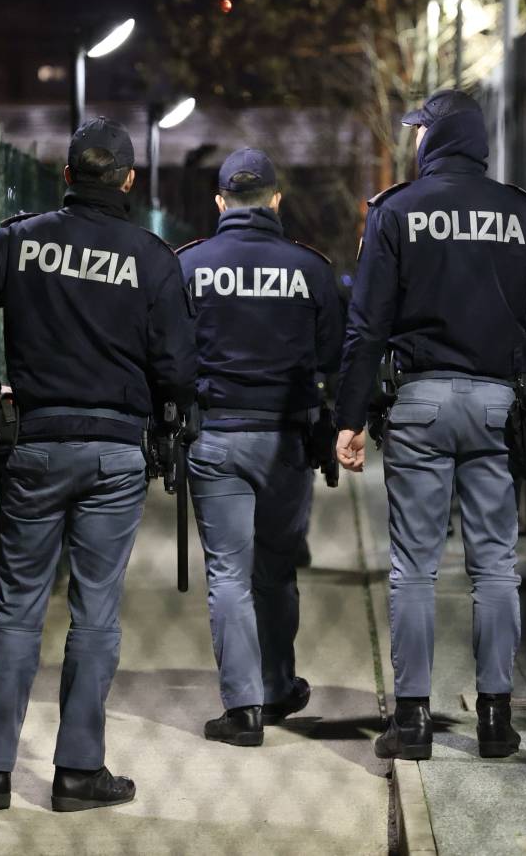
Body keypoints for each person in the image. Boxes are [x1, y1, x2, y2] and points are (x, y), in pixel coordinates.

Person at [0, 117, 197, 811]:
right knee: (96, 612)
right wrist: (167, 417)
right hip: (114, 451)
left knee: (16, 609)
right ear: (129, 180)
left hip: (37, 445)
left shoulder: (20, 240)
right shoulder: (152, 257)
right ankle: (77, 772)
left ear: (68, 174)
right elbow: (177, 367)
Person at [334, 90, 526, 760]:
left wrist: (349, 417)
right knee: (495, 564)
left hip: (420, 402)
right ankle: (494, 718)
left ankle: (411, 722)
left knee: (414, 566)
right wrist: (502, 353)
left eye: (418, 131)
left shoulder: (395, 211)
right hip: (495, 403)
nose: (412, 141)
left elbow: (366, 325)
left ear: (436, 137)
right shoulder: (520, 211)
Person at [177, 148, 343, 746]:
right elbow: (334, 356)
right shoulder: (310, 269)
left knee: (228, 573)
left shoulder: (188, 265)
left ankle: (242, 708)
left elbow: (165, 351)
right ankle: (277, 687)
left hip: (216, 434)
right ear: (276, 200)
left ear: (221, 202)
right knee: (275, 568)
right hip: (285, 440)